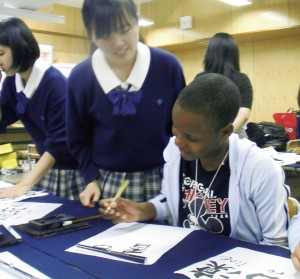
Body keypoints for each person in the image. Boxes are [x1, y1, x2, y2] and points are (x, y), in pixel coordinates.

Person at [99, 73, 289, 246]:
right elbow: (172, 200)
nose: (179, 141)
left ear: (225, 132)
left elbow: (277, 242)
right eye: (175, 128)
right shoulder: (176, 152)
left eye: (192, 137)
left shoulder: (259, 169)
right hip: (186, 255)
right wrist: (143, 210)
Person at [66, 0, 185, 207]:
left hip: (164, 177)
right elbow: (77, 137)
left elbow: (181, 127)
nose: (118, 42)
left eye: (124, 29)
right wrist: (90, 180)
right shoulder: (80, 77)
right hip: (108, 182)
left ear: (137, 21)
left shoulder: (167, 66)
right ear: (91, 35)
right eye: (105, 35)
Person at [0, 17, 84, 199]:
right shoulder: (12, 80)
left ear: (19, 48)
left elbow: (60, 142)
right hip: (47, 165)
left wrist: (25, 183)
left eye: (1, 54)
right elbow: (4, 115)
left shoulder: (54, 83)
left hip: (70, 170)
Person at [196, 32, 253, 138]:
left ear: (209, 53)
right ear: (234, 55)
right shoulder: (242, 79)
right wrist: (226, 135)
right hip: (235, 135)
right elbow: (244, 114)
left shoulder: (200, 79)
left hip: (205, 135)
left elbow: (192, 110)